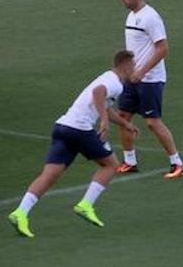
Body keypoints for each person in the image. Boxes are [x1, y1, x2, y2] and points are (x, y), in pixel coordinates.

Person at [8, 51, 140, 238]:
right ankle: (86, 205)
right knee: (111, 165)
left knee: (49, 175)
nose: (134, 69)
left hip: (62, 127)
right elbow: (98, 93)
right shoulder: (115, 83)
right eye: (133, 65)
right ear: (125, 66)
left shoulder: (107, 77)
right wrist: (103, 121)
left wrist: (125, 124)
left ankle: (20, 213)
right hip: (80, 130)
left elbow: (104, 103)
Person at [113, 0, 183, 179]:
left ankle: (177, 163)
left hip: (150, 79)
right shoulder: (131, 16)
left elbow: (163, 48)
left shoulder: (150, 17)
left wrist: (142, 71)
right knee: (123, 118)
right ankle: (129, 161)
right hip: (132, 78)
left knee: (153, 122)